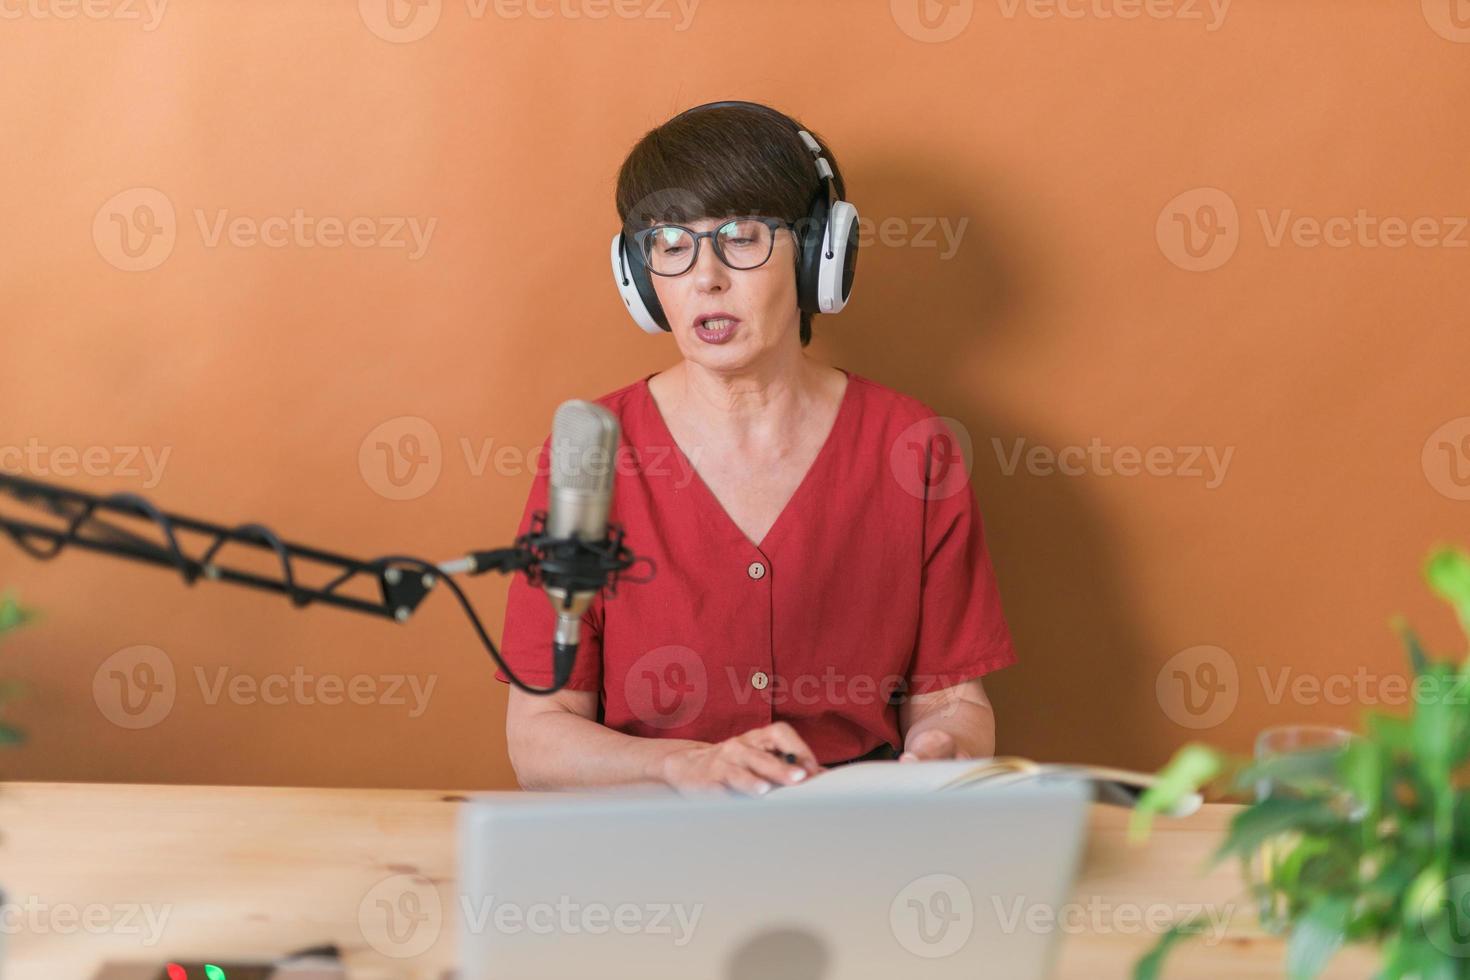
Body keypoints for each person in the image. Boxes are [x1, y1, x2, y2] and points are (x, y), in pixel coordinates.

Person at [495, 101, 1016, 797]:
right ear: (641, 277)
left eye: (742, 238)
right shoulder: (592, 451)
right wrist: (679, 765)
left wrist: (939, 749)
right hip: (652, 850)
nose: (706, 278)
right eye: (673, 245)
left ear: (817, 255)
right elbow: (538, 734)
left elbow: (956, 701)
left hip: (853, 843)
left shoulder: (912, 447)